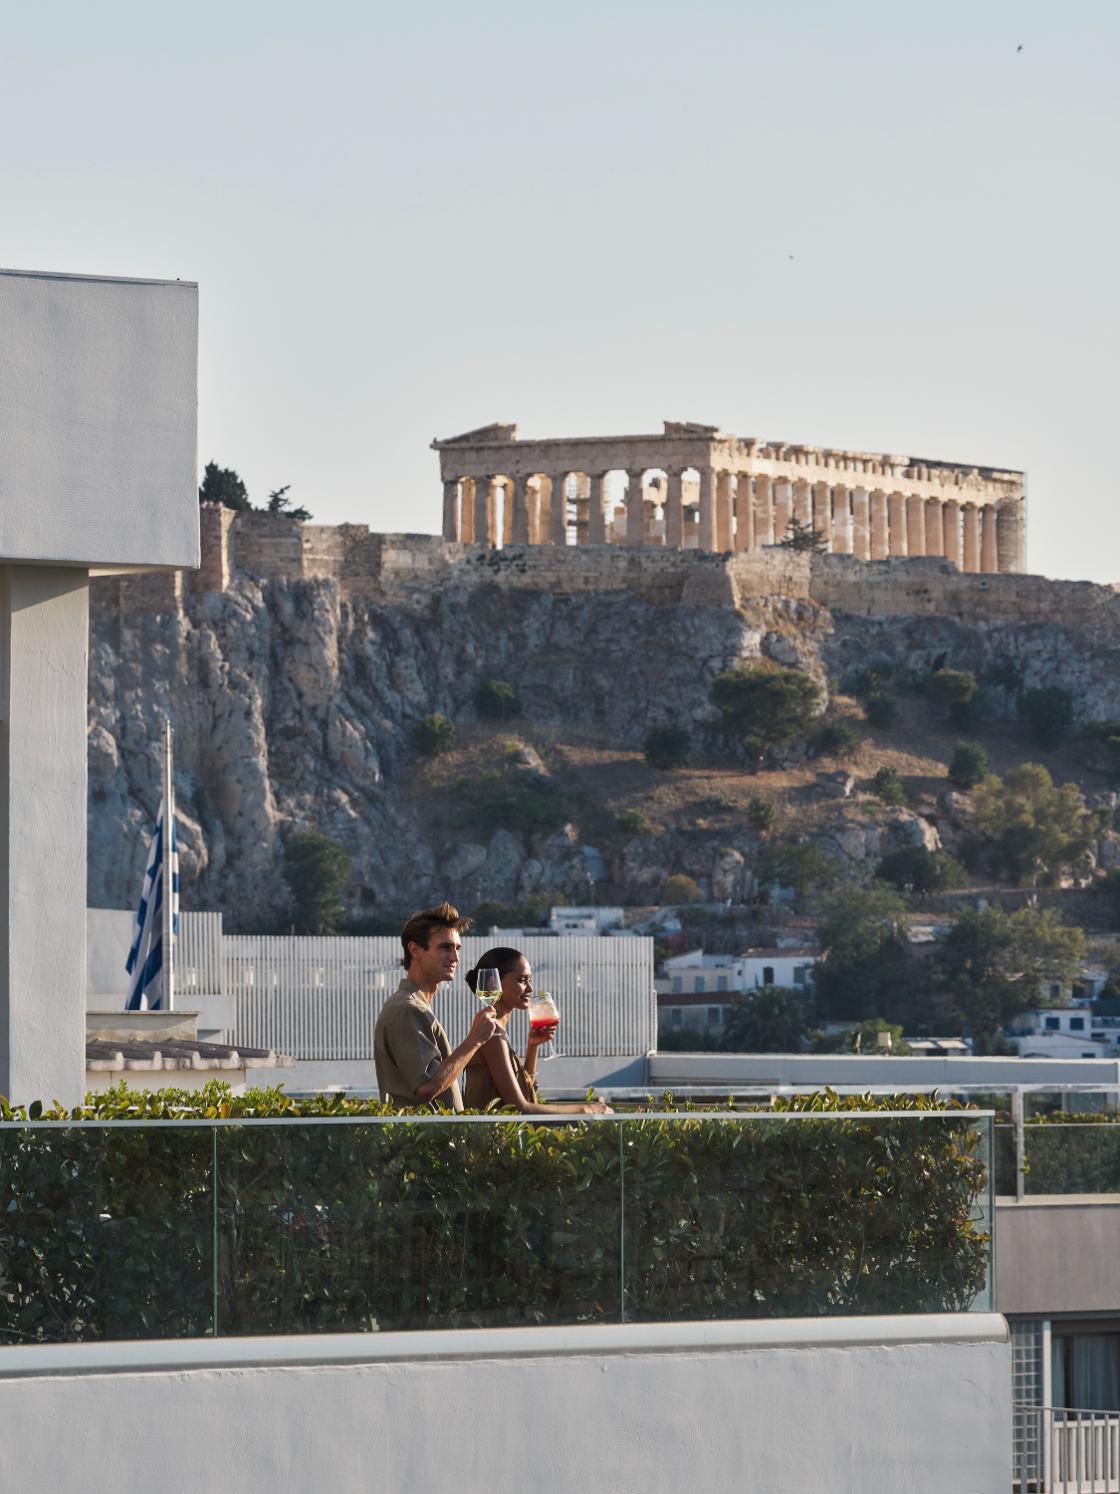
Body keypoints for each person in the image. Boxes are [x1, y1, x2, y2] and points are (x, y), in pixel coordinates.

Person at [374, 902, 500, 1109]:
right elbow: (427, 1087)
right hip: (421, 1139)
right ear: (414, 949)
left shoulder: (413, 1005)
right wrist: (474, 1040)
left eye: (457, 948)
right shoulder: (408, 1008)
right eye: (445, 947)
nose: (455, 957)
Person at [462, 947, 611, 1116]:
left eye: (530, 980)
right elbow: (521, 1108)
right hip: (491, 1140)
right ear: (493, 983)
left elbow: (525, 1095)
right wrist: (588, 1110)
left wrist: (532, 1047)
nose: (530, 989)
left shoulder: (497, 1031)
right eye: (522, 980)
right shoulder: (492, 1034)